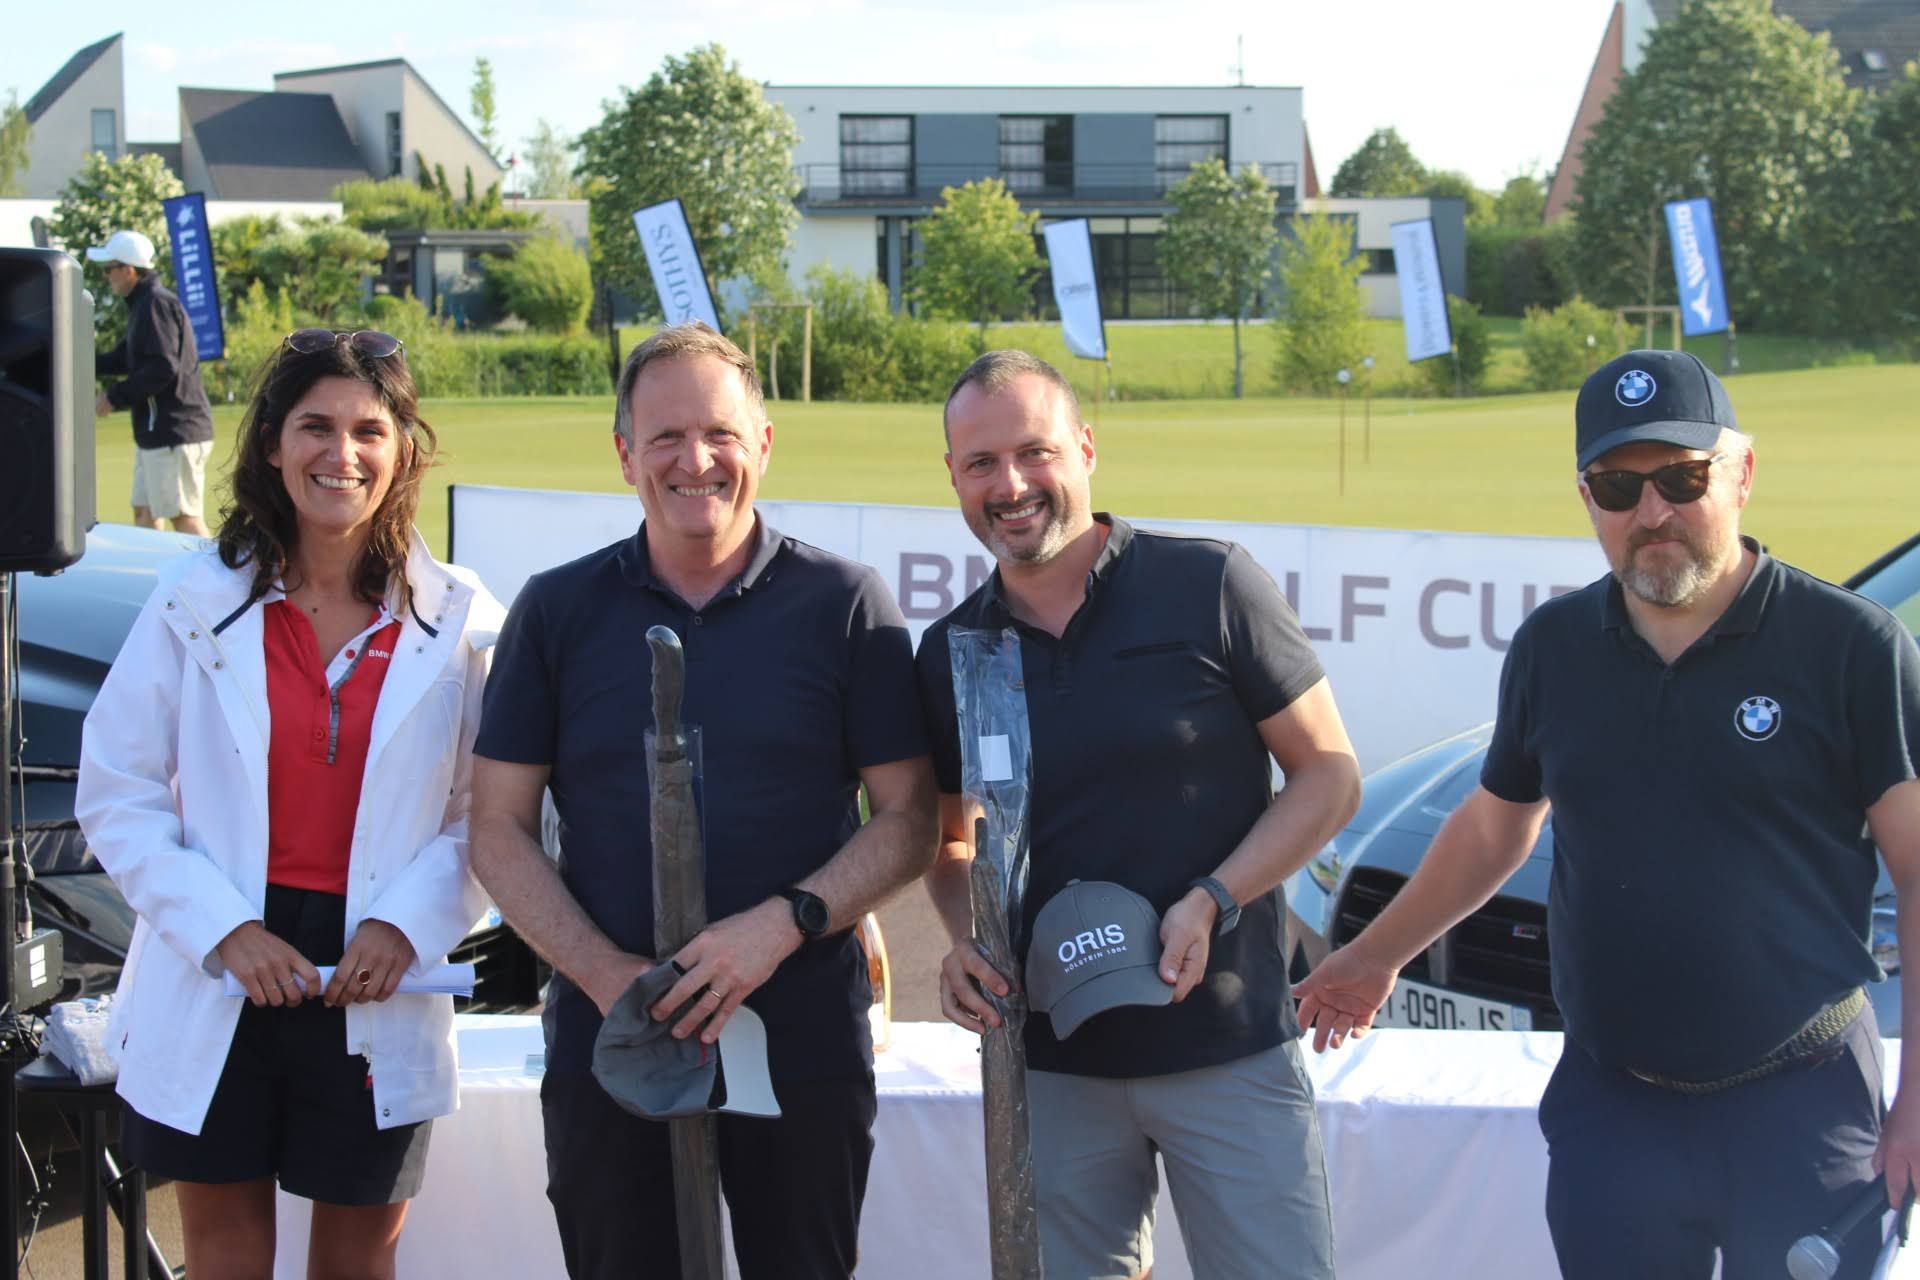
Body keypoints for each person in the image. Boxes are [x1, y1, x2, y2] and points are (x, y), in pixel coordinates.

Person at [1296, 349, 1920, 1279]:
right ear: (1587, 498)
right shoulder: (1554, 647)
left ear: (1742, 473)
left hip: (1805, 1102)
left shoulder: (1851, 647)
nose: (1652, 512)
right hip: (1614, 1106)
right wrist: (1372, 956)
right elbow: (1496, 827)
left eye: (1682, 478)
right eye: (1619, 487)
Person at [468, 322, 936, 1280]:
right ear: (624, 454)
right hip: (611, 1031)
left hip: (800, 1026)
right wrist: (605, 975)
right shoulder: (556, 610)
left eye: (721, 433)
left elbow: (909, 822)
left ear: (763, 442)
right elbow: (498, 830)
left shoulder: (845, 603)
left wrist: (779, 927)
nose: (696, 461)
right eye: (666, 437)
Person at [918, 350, 1362, 1280]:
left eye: (1035, 452)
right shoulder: (952, 649)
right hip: (1051, 1066)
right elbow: (950, 841)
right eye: (982, 463)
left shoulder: (1207, 584)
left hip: (1229, 1049)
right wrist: (967, 941)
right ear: (953, 476)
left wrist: (1213, 896)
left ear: (1084, 449)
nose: (1011, 485)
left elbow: (1328, 775)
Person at [75, 327, 503, 1280]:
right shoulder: (193, 598)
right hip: (220, 966)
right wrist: (224, 929)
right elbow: (117, 789)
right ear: (272, 443)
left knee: (356, 1264)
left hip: (380, 974)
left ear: (404, 451)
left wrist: (406, 924)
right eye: (315, 426)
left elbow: (492, 812)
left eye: (368, 430)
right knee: (226, 1260)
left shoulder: (462, 618)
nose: (340, 453)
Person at [88, 228, 217, 536]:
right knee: (145, 512)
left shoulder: (154, 304)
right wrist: (75, 359)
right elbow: (124, 359)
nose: (106, 276)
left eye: (109, 269)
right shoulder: (143, 304)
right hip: (157, 433)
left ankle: (218, 571)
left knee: (184, 518)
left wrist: (113, 397)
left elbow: (162, 367)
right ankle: (152, 570)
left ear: (129, 270)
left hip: (174, 430)